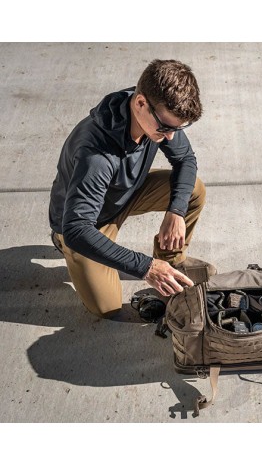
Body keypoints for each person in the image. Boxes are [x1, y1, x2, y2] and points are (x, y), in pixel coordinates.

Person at [49, 59, 215, 319]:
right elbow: (76, 228)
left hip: (126, 192)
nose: (171, 136)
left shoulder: (156, 106)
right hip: (87, 224)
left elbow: (185, 160)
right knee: (108, 307)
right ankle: (64, 248)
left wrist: (176, 211)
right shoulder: (96, 154)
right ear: (140, 104)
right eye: (166, 128)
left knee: (193, 190)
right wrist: (146, 267)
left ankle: (170, 262)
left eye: (178, 128)